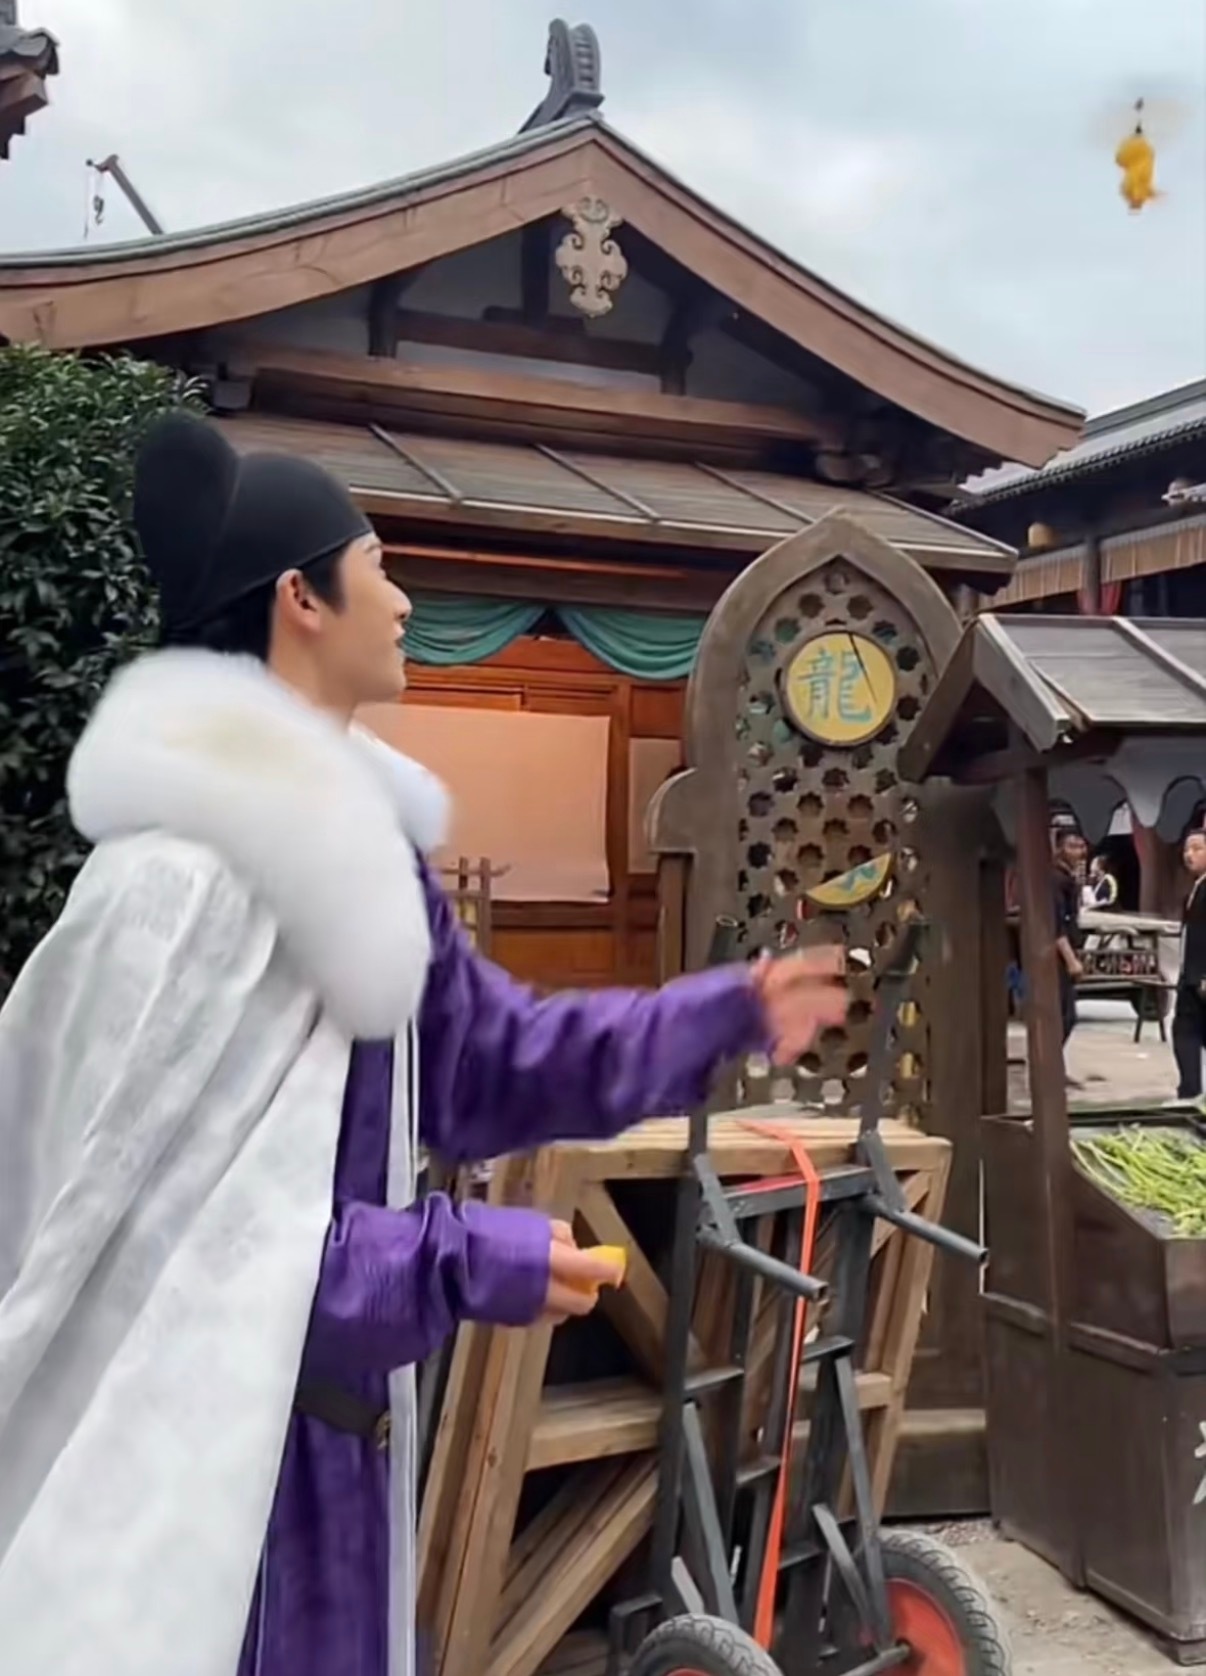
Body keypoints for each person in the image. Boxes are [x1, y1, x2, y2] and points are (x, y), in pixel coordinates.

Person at [0, 413, 848, 1676]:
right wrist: (460, 1259)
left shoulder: (362, 863)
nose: (403, 601)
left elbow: (488, 1061)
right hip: (202, 1473)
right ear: (299, 598)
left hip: (340, 1443)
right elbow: (177, 1261)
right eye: (379, 565)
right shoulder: (179, 880)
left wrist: (722, 1010)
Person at [1172, 828, 1206, 1105]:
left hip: (1201, 976)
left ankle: (1190, 1092)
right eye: (1186, 849)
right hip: (1190, 976)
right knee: (1185, 1031)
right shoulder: (1194, 889)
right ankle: (1189, 1091)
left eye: (1197, 848)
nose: (1189, 854)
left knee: (1187, 1032)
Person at [1052, 827, 1086, 1044]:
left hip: (1067, 951)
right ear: (1059, 848)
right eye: (1072, 846)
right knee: (1064, 1016)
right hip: (1056, 957)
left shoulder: (1068, 878)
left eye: (1081, 847)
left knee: (1067, 1016)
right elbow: (1056, 924)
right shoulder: (1056, 879)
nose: (1078, 852)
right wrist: (1071, 960)